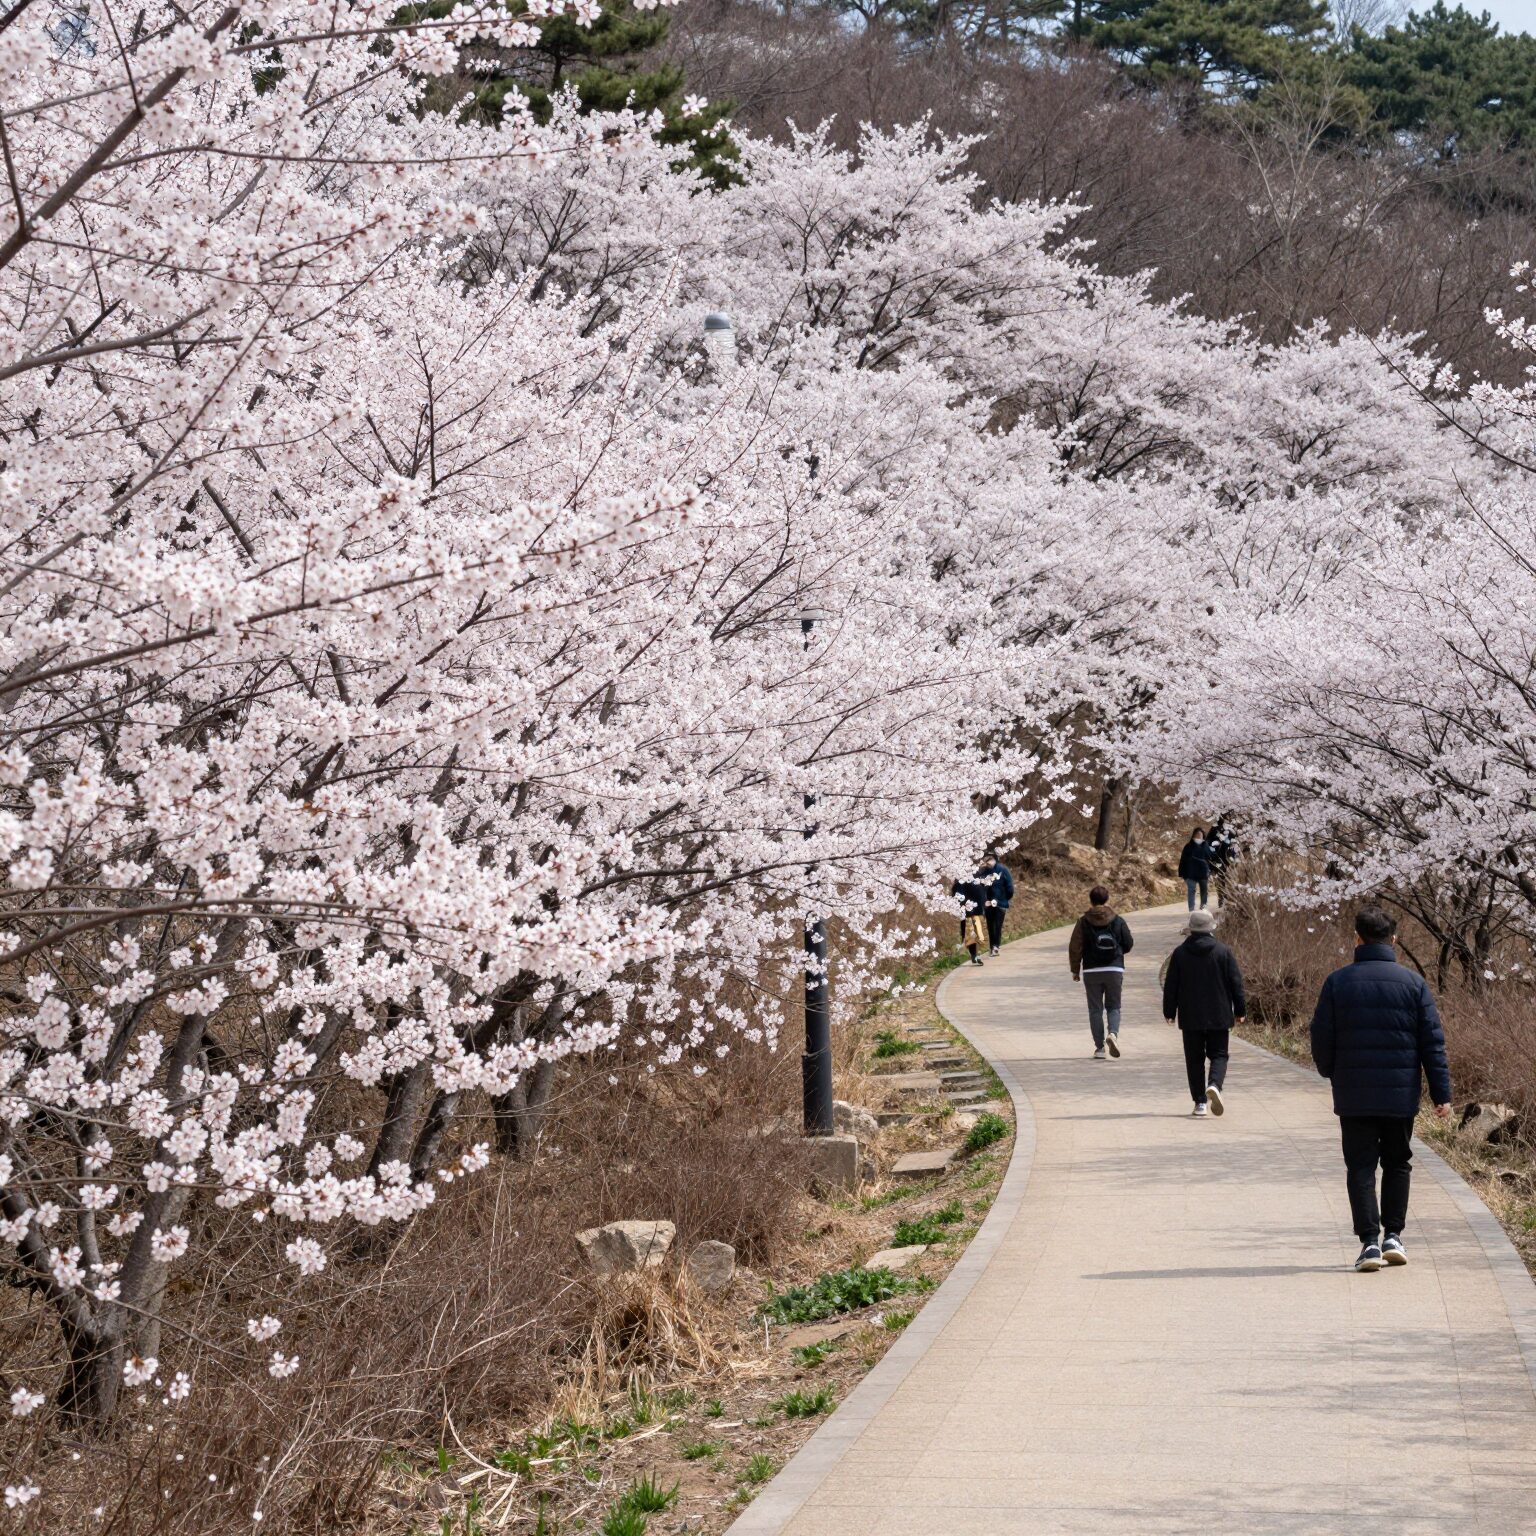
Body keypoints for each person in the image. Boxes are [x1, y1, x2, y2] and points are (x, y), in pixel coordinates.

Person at [1309, 904, 1453, 1273]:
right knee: (1398, 1162)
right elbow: (1431, 1043)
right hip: (1399, 1094)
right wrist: (1442, 1095)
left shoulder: (1337, 982)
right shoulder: (1413, 984)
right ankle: (1394, 1236)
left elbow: (1321, 1036)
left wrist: (1331, 1072)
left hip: (1354, 1093)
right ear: (1394, 940)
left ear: (1356, 938)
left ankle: (1369, 1243)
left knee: (1360, 1166)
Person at [1162, 910, 1246, 1118]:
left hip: (1191, 1016)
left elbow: (1171, 985)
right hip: (1219, 1014)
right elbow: (1236, 983)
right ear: (1211, 928)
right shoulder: (1223, 952)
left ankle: (1200, 1102)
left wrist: (1169, 1011)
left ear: (1191, 929)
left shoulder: (1180, 953)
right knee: (1219, 1054)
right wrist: (1240, 1010)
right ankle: (1215, 1085)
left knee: (1194, 1059)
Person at [1069, 885, 1134, 1059]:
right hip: (1114, 969)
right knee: (1114, 1006)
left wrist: (1075, 969)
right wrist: (1117, 954)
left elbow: (1075, 947)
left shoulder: (1083, 921)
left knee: (1095, 1009)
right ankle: (1113, 1034)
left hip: (1091, 970)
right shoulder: (1117, 919)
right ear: (1106, 900)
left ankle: (1099, 1048)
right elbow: (1128, 943)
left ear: (1091, 900)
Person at [979, 849, 1014, 956]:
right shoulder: (983, 872)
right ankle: (992, 947)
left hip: (1000, 903)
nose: (988, 862)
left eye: (990, 859)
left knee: (997, 925)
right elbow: (980, 887)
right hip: (988, 904)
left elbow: (1010, 887)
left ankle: (996, 946)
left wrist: (1004, 899)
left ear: (995, 859)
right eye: (986, 859)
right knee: (990, 925)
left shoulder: (1002, 870)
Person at [951, 871, 987, 966]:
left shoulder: (978, 876)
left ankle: (975, 954)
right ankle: (975, 954)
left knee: (975, 933)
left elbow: (983, 891)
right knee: (972, 933)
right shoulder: (961, 878)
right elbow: (957, 894)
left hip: (975, 911)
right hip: (968, 912)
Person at [1178, 827, 1212, 911]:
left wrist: (1211, 870)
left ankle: (1203, 908)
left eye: (1200, 835)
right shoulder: (1188, 846)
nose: (1198, 836)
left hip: (1203, 872)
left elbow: (1210, 858)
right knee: (1191, 891)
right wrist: (1181, 873)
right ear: (1193, 835)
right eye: (1197, 834)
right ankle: (1191, 909)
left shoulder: (1206, 845)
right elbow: (1183, 860)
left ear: (1203, 836)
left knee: (1204, 891)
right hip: (1190, 872)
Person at [1207, 818, 1237, 903]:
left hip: (1228, 859)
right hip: (1219, 859)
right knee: (1221, 879)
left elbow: (1235, 844)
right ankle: (1222, 898)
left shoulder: (1231, 830)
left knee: (1226, 879)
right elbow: (1208, 843)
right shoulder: (1215, 829)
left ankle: (1226, 898)